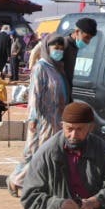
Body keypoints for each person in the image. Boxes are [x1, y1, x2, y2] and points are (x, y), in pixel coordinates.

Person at [8, 34, 68, 196]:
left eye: (61, 48)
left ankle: (23, 181)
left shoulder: (57, 67)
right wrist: (33, 118)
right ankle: (18, 180)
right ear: (47, 48)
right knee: (39, 153)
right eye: (55, 48)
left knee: (46, 153)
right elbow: (35, 94)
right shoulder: (40, 68)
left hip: (56, 119)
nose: (58, 51)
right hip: (43, 119)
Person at [60, 17, 97, 100]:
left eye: (90, 39)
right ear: (77, 32)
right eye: (86, 37)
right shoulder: (63, 45)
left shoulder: (74, 46)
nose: (88, 42)